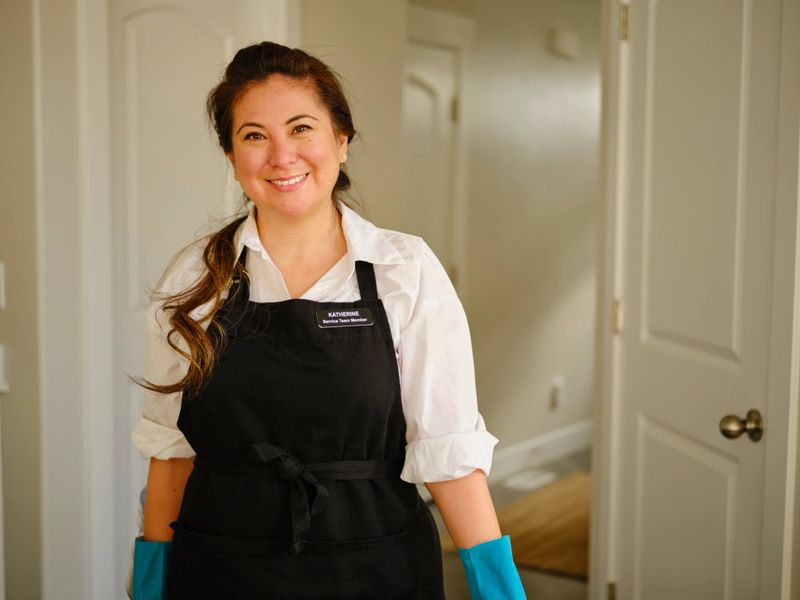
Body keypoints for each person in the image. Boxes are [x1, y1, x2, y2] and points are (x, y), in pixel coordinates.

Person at [130, 41, 526, 600]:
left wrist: (499, 591)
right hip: (220, 567)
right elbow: (171, 455)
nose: (281, 156)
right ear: (231, 156)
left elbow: (449, 455)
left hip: (376, 565)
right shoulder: (196, 279)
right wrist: (149, 585)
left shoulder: (403, 269)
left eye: (301, 129)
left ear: (340, 142)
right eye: (254, 135)